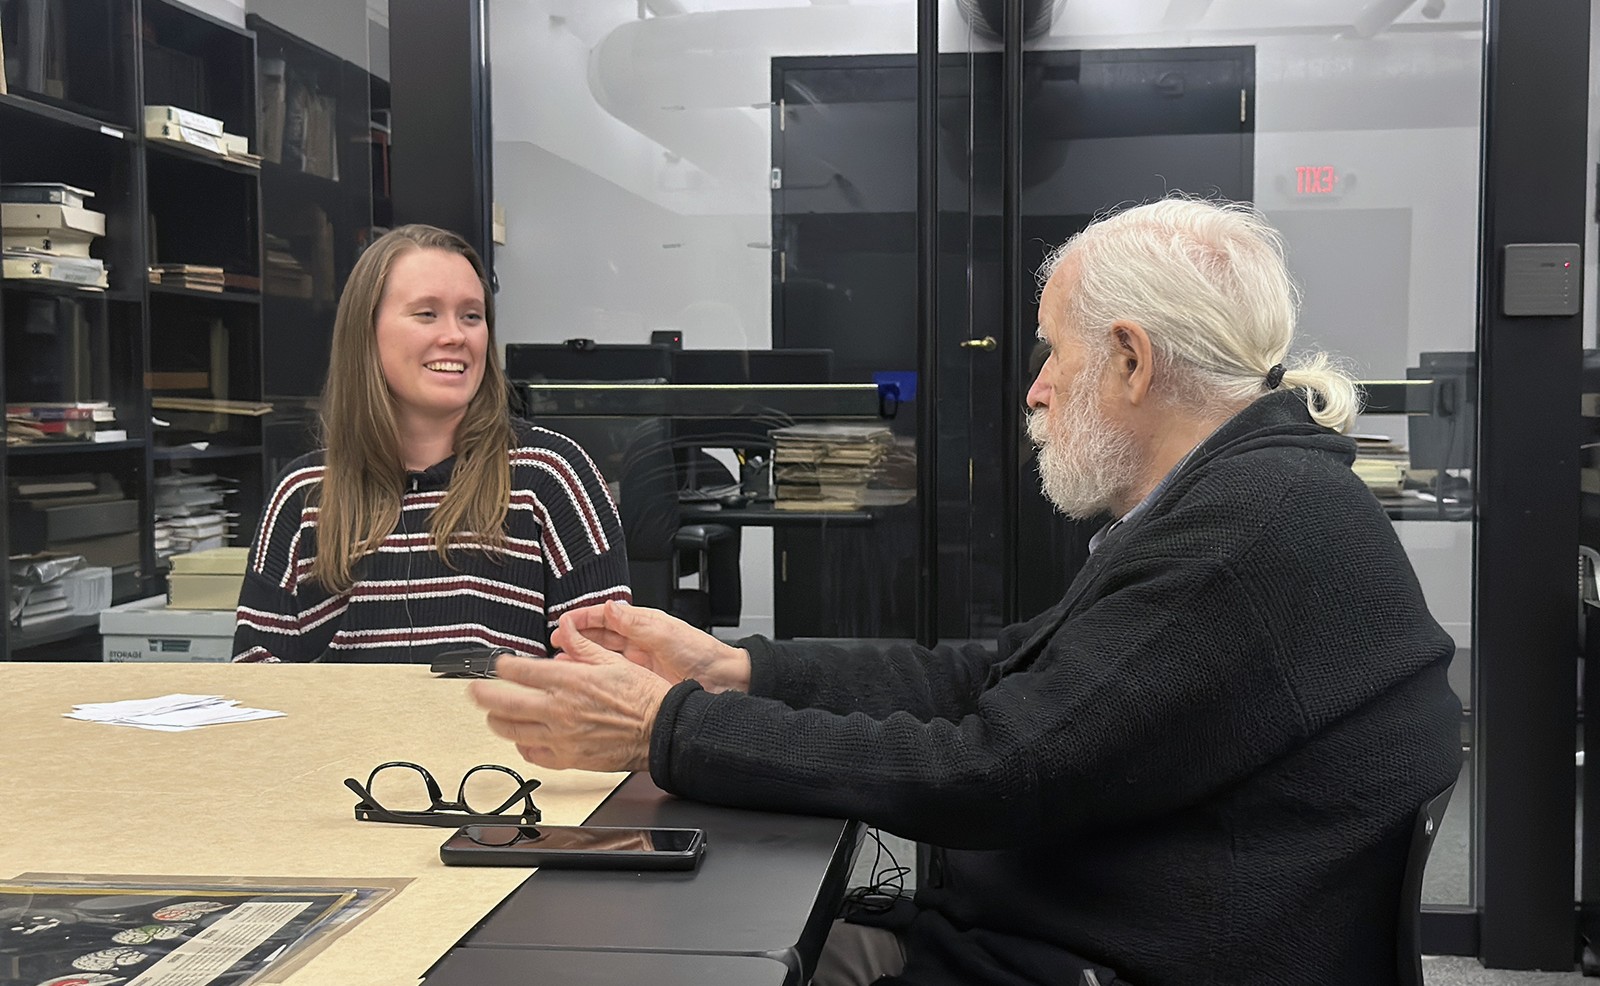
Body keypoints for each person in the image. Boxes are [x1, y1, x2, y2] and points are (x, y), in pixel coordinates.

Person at [466, 198, 1463, 986]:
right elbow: (990, 673)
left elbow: (996, 770)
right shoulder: (1244, 498)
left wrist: (669, 730)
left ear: (1128, 358)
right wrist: (735, 666)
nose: (1032, 388)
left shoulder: (1242, 536)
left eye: (1051, 352)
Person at [233, 224, 630, 663]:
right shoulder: (304, 493)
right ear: (366, 333)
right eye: (427, 314)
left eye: (471, 316)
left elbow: (608, 678)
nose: (456, 335)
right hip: (349, 734)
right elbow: (256, 679)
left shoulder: (551, 475)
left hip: (502, 733)